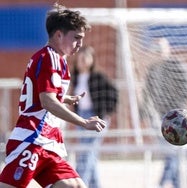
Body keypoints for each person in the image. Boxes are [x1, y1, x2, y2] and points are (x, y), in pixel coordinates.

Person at [0, 4, 107, 188]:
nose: (80, 44)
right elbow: (47, 101)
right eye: (77, 38)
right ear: (59, 35)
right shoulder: (49, 58)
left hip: (48, 142)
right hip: (32, 139)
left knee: (76, 186)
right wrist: (83, 122)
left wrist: (65, 98)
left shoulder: (57, 59)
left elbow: (41, 94)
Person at [140, 37, 187, 188]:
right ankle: (176, 184)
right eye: (155, 50)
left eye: (160, 49)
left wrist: (177, 111)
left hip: (175, 116)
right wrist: (144, 113)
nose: (158, 52)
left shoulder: (178, 66)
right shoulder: (152, 70)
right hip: (158, 116)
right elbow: (147, 93)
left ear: (167, 49)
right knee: (169, 152)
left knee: (173, 150)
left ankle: (163, 182)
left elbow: (185, 89)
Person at [70, 45, 118, 188]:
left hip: (97, 117)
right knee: (90, 154)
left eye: (86, 58)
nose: (83, 61)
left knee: (87, 152)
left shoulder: (99, 77)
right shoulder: (76, 78)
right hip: (82, 118)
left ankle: (79, 183)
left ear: (92, 60)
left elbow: (113, 94)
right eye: (81, 58)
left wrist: (105, 113)